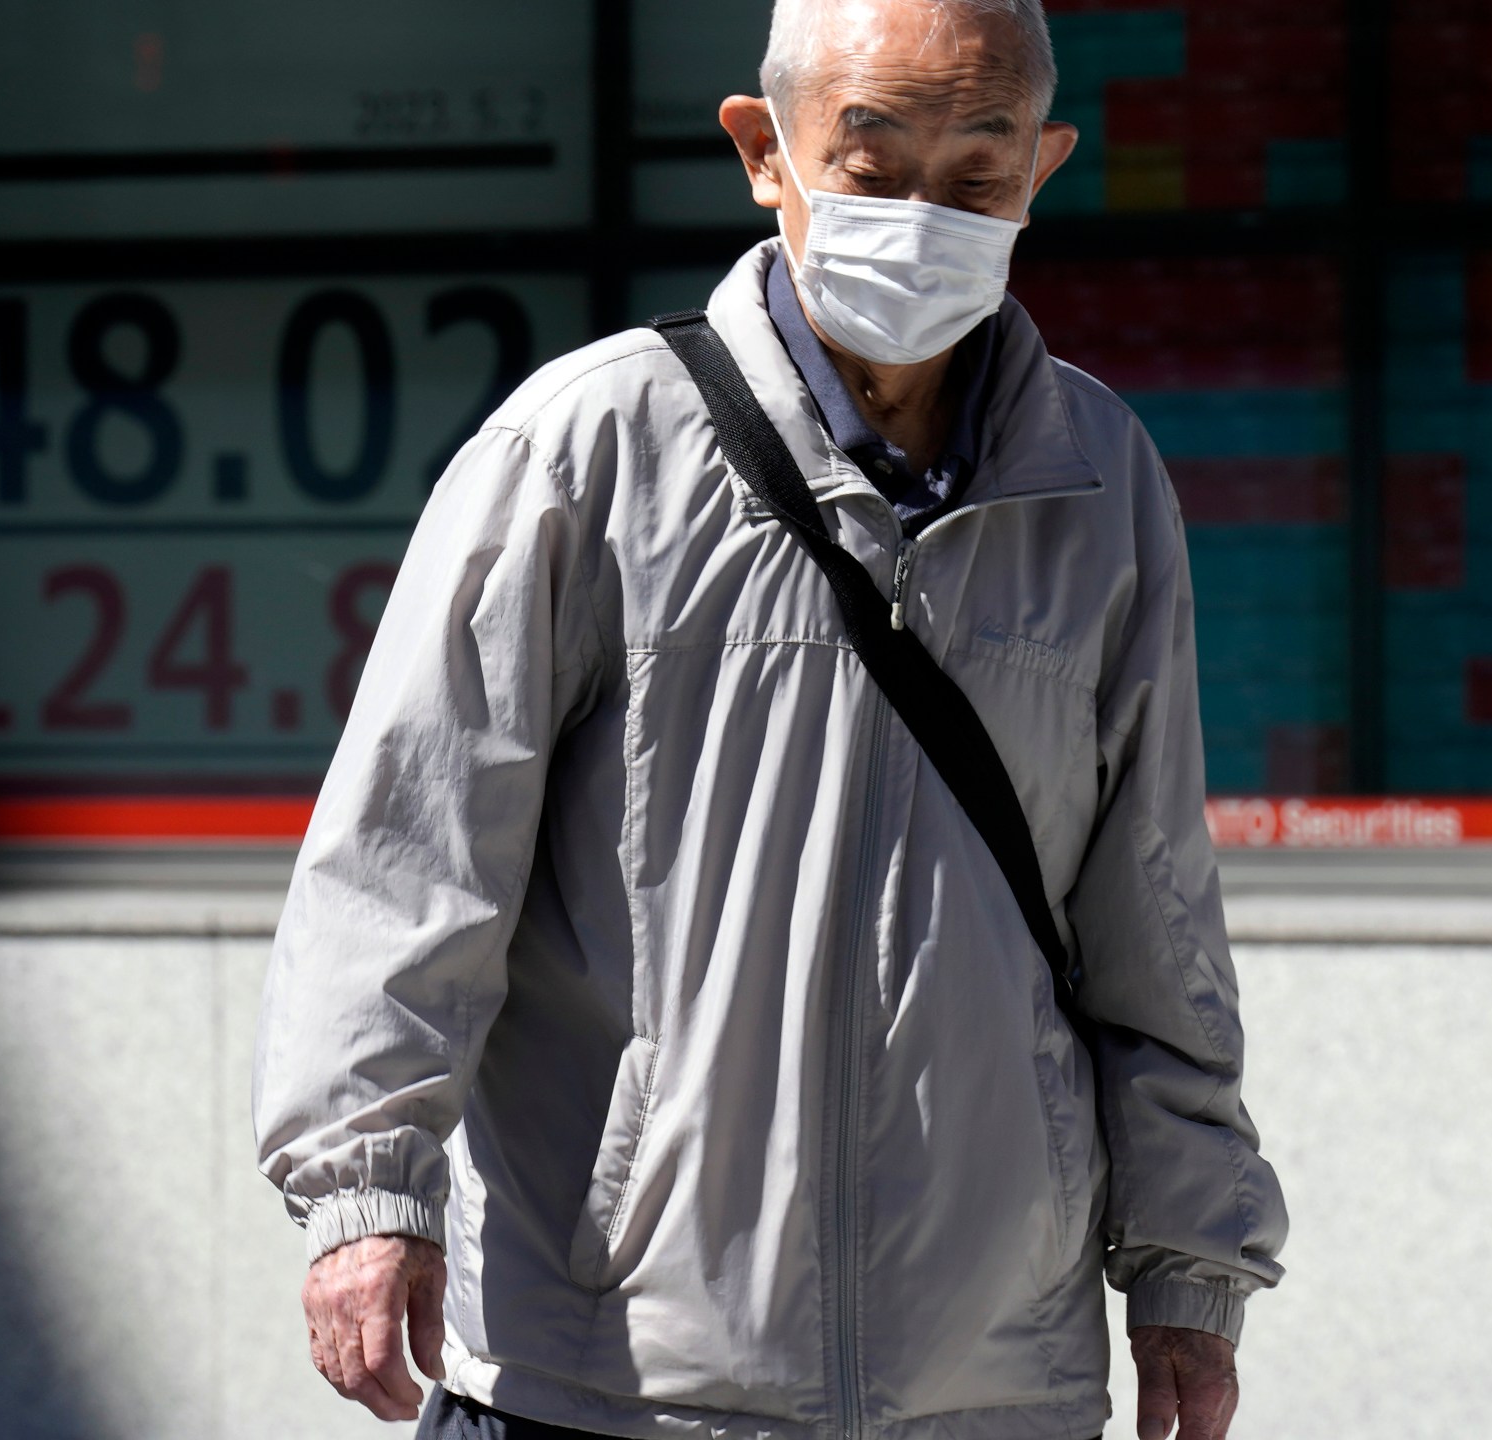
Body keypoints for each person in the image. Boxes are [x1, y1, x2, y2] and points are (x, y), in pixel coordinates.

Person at [251, 1, 1289, 1437]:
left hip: (984, 1380)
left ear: (1042, 170)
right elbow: (413, 852)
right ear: (765, 150)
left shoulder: (1100, 481)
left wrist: (1189, 1257)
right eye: (873, 164)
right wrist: (368, 1187)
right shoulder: (591, 444)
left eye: (977, 175)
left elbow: (1151, 907)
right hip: (610, 1373)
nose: (926, 214)